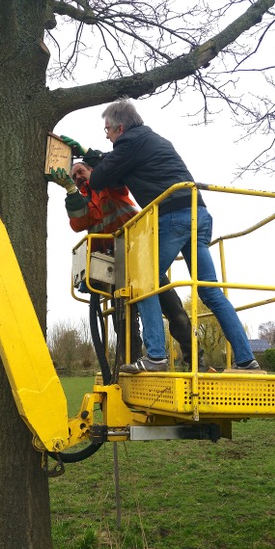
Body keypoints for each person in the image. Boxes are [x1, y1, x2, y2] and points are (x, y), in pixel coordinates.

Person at [61, 98, 259, 373]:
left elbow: (99, 178)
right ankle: (247, 360)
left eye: (107, 129)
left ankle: (155, 357)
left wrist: (87, 153)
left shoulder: (129, 143)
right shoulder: (149, 140)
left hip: (172, 217)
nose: (106, 135)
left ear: (119, 127)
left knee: (145, 283)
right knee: (211, 292)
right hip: (197, 213)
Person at [50, 161, 205, 369]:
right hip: (115, 264)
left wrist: (93, 159)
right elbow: (79, 224)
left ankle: (196, 360)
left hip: (141, 252)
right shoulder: (81, 200)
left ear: (92, 170)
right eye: (74, 176)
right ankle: (131, 364)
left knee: (172, 306)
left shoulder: (109, 184)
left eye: (81, 171)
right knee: (122, 318)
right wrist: (70, 190)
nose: (78, 177)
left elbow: (115, 173)